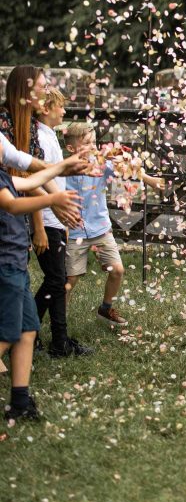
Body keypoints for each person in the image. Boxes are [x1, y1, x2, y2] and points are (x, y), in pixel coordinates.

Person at [0, 138, 83, 422]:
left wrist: (62, 167)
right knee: (6, 334)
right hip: (4, 267)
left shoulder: (4, 176)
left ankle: (20, 402)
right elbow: (11, 205)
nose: (4, 145)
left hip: (15, 263)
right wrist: (51, 199)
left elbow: (31, 180)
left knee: (27, 330)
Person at [63, 121, 165, 329]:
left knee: (117, 270)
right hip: (74, 232)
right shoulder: (64, 170)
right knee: (70, 279)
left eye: (93, 142)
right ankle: (59, 321)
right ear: (71, 148)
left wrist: (150, 179)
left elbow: (126, 170)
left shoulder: (102, 164)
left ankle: (106, 308)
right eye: (86, 143)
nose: (92, 146)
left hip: (100, 228)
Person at [35, 86, 92, 357]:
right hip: (46, 217)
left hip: (55, 220)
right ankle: (54, 340)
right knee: (56, 280)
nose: (65, 111)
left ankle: (39, 335)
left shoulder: (49, 137)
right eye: (60, 106)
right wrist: (41, 226)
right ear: (46, 109)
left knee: (55, 281)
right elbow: (39, 180)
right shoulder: (41, 138)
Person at [0, 65, 80, 231]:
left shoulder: (31, 125)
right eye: (43, 87)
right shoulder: (3, 122)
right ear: (27, 90)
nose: (47, 91)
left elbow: (35, 168)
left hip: (19, 206)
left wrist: (58, 200)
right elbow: (17, 173)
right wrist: (53, 202)